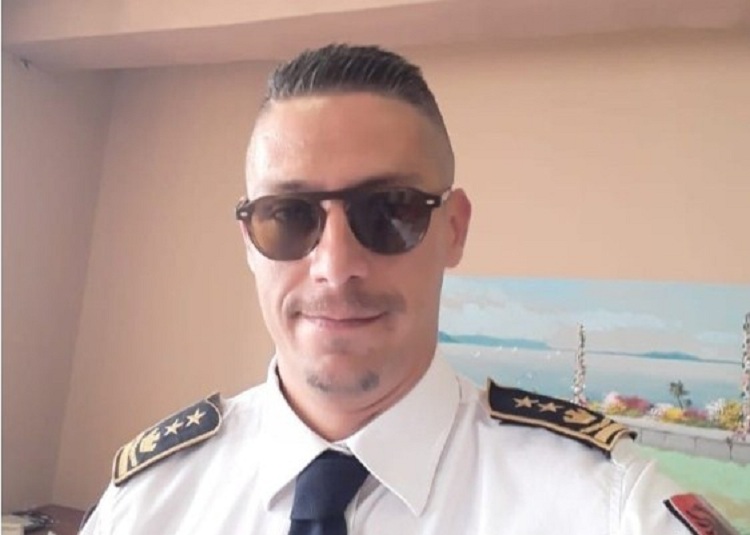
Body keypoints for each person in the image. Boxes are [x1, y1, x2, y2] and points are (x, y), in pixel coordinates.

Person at [79, 44, 734, 535]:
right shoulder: (147, 503)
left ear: (453, 229)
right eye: (289, 215)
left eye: (389, 210)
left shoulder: (610, 509)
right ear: (250, 240)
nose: (336, 266)